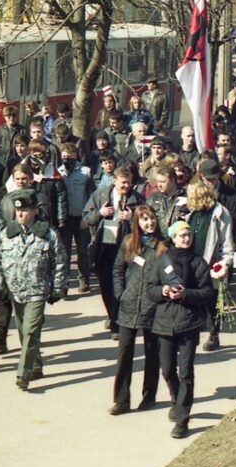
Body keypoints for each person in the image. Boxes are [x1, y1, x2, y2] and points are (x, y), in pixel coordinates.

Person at [0, 189, 67, 391]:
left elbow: (60, 261)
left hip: (37, 290)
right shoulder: (6, 233)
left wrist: (58, 288)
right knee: (25, 333)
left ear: (34, 211)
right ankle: (36, 366)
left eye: (24, 210)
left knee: (31, 331)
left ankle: (23, 374)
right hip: (15, 291)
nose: (20, 215)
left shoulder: (48, 233)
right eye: (17, 211)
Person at [148, 220, 215, 439]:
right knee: (167, 370)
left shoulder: (198, 262)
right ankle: (177, 402)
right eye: (182, 235)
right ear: (173, 238)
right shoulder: (161, 261)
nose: (186, 239)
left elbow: (207, 293)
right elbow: (150, 289)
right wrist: (163, 291)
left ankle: (183, 419)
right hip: (165, 323)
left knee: (185, 372)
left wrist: (185, 294)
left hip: (189, 323)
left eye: (188, 235)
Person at [110, 206, 167, 415]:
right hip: (129, 306)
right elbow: (117, 269)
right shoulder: (128, 243)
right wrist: (120, 293)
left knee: (152, 354)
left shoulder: (162, 247)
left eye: (151, 218)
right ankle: (121, 400)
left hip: (153, 307)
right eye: (144, 219)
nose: (149, 223)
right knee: (124, 354)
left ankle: (149, 395)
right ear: (137, 223)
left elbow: (169, 275)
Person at [85, 166, 143, 337]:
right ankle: (112, 315)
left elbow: (148, 221)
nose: (126, 186)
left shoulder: (137, 198)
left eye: (129, 183)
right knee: (106, 285)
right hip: (105, 246)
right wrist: (100, 213)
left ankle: (118, 322)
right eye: (123, 183)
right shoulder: (101, 194)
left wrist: (132, 218)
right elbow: (86, 216)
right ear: (115, 181)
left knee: (123, 283)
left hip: (127, 247)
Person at [184, 178, 235, 350]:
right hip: (192, 262)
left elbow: (226, 243)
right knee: (191, 299)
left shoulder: (220, 213)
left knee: (211, 302)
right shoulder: (191, 213)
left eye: (191, 194)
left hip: (211, 264)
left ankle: (214, 334)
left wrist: (224, 263)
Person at [59, 143, 95, 293]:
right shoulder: (58, 172)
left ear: (76, 156)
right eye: (64, 157)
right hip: (65, 219)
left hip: (81, 217)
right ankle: (65, 283)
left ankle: (83, 279)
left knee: (82, 251)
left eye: (70, 156)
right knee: (65, 253)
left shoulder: (86, 171)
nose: (67, 159)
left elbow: (92, 195)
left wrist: (87, 217)